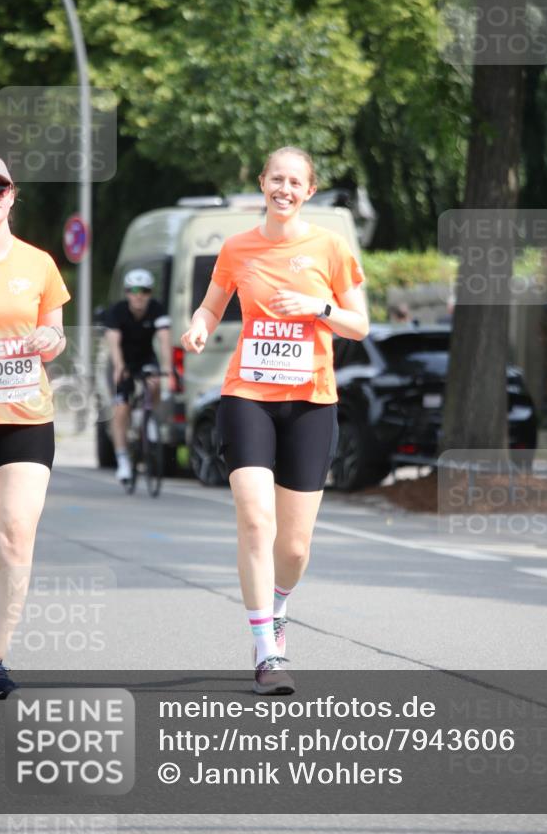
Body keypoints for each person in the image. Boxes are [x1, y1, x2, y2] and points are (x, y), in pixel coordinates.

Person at [181, 146, 369, 694]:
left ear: (308, 191)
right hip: (248, 396)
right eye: (276, 179)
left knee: (295, 546)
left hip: (311, 400)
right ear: (262, 183)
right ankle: (267, 652)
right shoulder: (237, 247)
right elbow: (212, 306)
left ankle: (279, 607)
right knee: (256, 520)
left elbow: (360, 324)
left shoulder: (330, 247)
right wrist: (198, 325)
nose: (284, 189)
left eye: (295, 182)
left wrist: (318, 309)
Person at [0, 154, 70, 698]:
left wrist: (50, 341)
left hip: (27, 416)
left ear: (13, 194)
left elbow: (55, 334)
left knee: (14, 537)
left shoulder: (39, 263)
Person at [104, 269, 172, 482]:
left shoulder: (157, 309)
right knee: (121, 408)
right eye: (134, 291)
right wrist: (119, 367)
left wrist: (167, 369)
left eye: (144, 291)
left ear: (150, 293)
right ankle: (123, 458)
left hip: (145, 359)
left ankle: (147, 415)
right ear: (127, 292)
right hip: (122, 360)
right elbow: (113, 342)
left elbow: (164, 340)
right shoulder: (117, 311)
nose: (139, 295)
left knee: (154, 382)